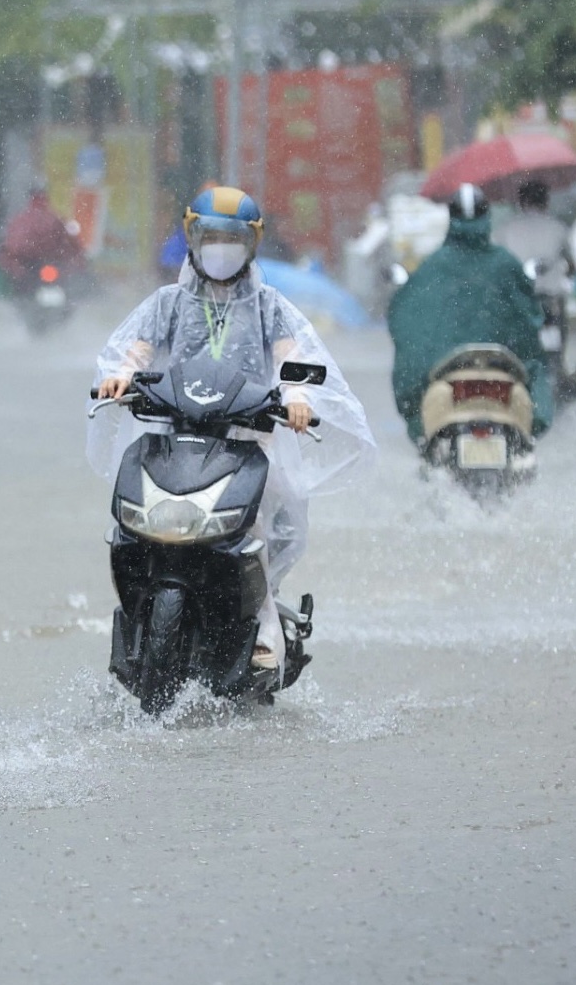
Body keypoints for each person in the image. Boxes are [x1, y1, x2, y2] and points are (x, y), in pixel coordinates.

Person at [91, 186, 375, 673]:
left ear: (252, 243)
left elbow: (290, 356)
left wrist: (297, 397)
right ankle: (137, 613)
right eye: (211, 237)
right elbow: (138, 349)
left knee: (263, 524)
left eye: (233, 239)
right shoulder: (168, 303)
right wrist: (122, 375)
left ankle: (264, 629)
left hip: (246, 438)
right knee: (133, 520)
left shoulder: (268, 306)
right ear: (192, 238)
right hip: (175, 434)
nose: (220, 248)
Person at [388, 183, 553, 444]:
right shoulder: (505, 264)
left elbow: (408, 321)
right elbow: (527, 321)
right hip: (503, 369)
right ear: (486, 215)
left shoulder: (433, 268)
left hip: (445, 371)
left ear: (451, 217)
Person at [494, 179, 574, 295]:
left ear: (521, 202)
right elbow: (571, 264)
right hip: (550, 294)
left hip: (517, 293)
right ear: (546, 201)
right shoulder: (558, 227)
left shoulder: (505, 229)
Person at [0, 186, 84, 292]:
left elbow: (11, 246)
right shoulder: (54, 219)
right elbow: (69, 243)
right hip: (49, 263)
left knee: (21, 287)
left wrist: (15, 266)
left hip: (26, 265)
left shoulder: (19, 220)